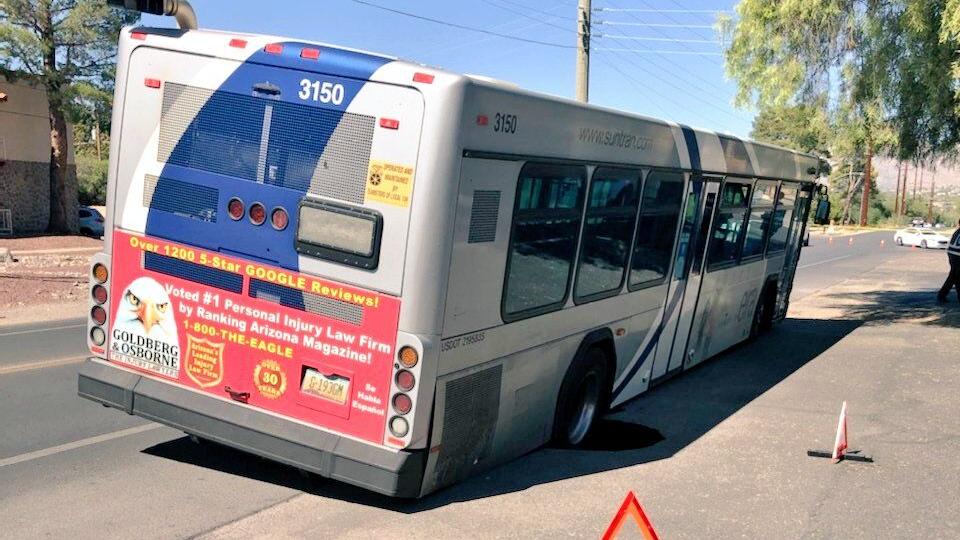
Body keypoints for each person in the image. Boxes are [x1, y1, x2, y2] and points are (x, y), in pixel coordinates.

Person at [936, 219, 960, 303]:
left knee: (954, 276)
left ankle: (942, 295)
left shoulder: (957, 231)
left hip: (952, 254)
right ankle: (941, 295)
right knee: (955, 276)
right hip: (957, 255)